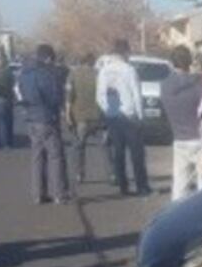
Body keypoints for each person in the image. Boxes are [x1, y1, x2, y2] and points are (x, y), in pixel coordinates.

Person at [97, 39, 149, 197]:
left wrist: (109, 111)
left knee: (118, 153)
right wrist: (140, 117)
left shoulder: (104, 71)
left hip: (114, 117)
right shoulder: (129, 70)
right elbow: (136, 95)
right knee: (137, 154)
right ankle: (142, 187)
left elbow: (100, 96)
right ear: (125, 52)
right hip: (130, 116)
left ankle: (123, 187)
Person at [19, 43, 71, 204]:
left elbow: (20, 92)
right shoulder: (47, 75)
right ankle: (59, 193)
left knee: (37, 156)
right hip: (47, 118)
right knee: (55, 156)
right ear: (48, 58)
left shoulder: (24, 73)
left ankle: (38, 194)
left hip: (31, 118)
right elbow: (54, 97)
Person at [160, 45, 202, 201]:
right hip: (200, 139)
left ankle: (177, 216)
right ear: (189, 62)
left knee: (180, 185)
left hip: (179, 139)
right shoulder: (199, 84)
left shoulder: (165, 85)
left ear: (172, 62)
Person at [66, 53, 111, 184]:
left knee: (79, 147)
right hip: (98, 117)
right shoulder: (99, 74)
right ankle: (111, 173)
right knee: (105, 146)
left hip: (80, 117)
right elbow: (105, 96)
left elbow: (69, 97)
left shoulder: (73, 74)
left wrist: (68, 115)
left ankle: (80, 174)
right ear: (92, 62)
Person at [0, 49, 15, 148]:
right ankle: (8, 140)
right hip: (8, 98)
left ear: (1, 60)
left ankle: (3, 142)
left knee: (0, 121)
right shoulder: (9, 71)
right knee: (8, 121)